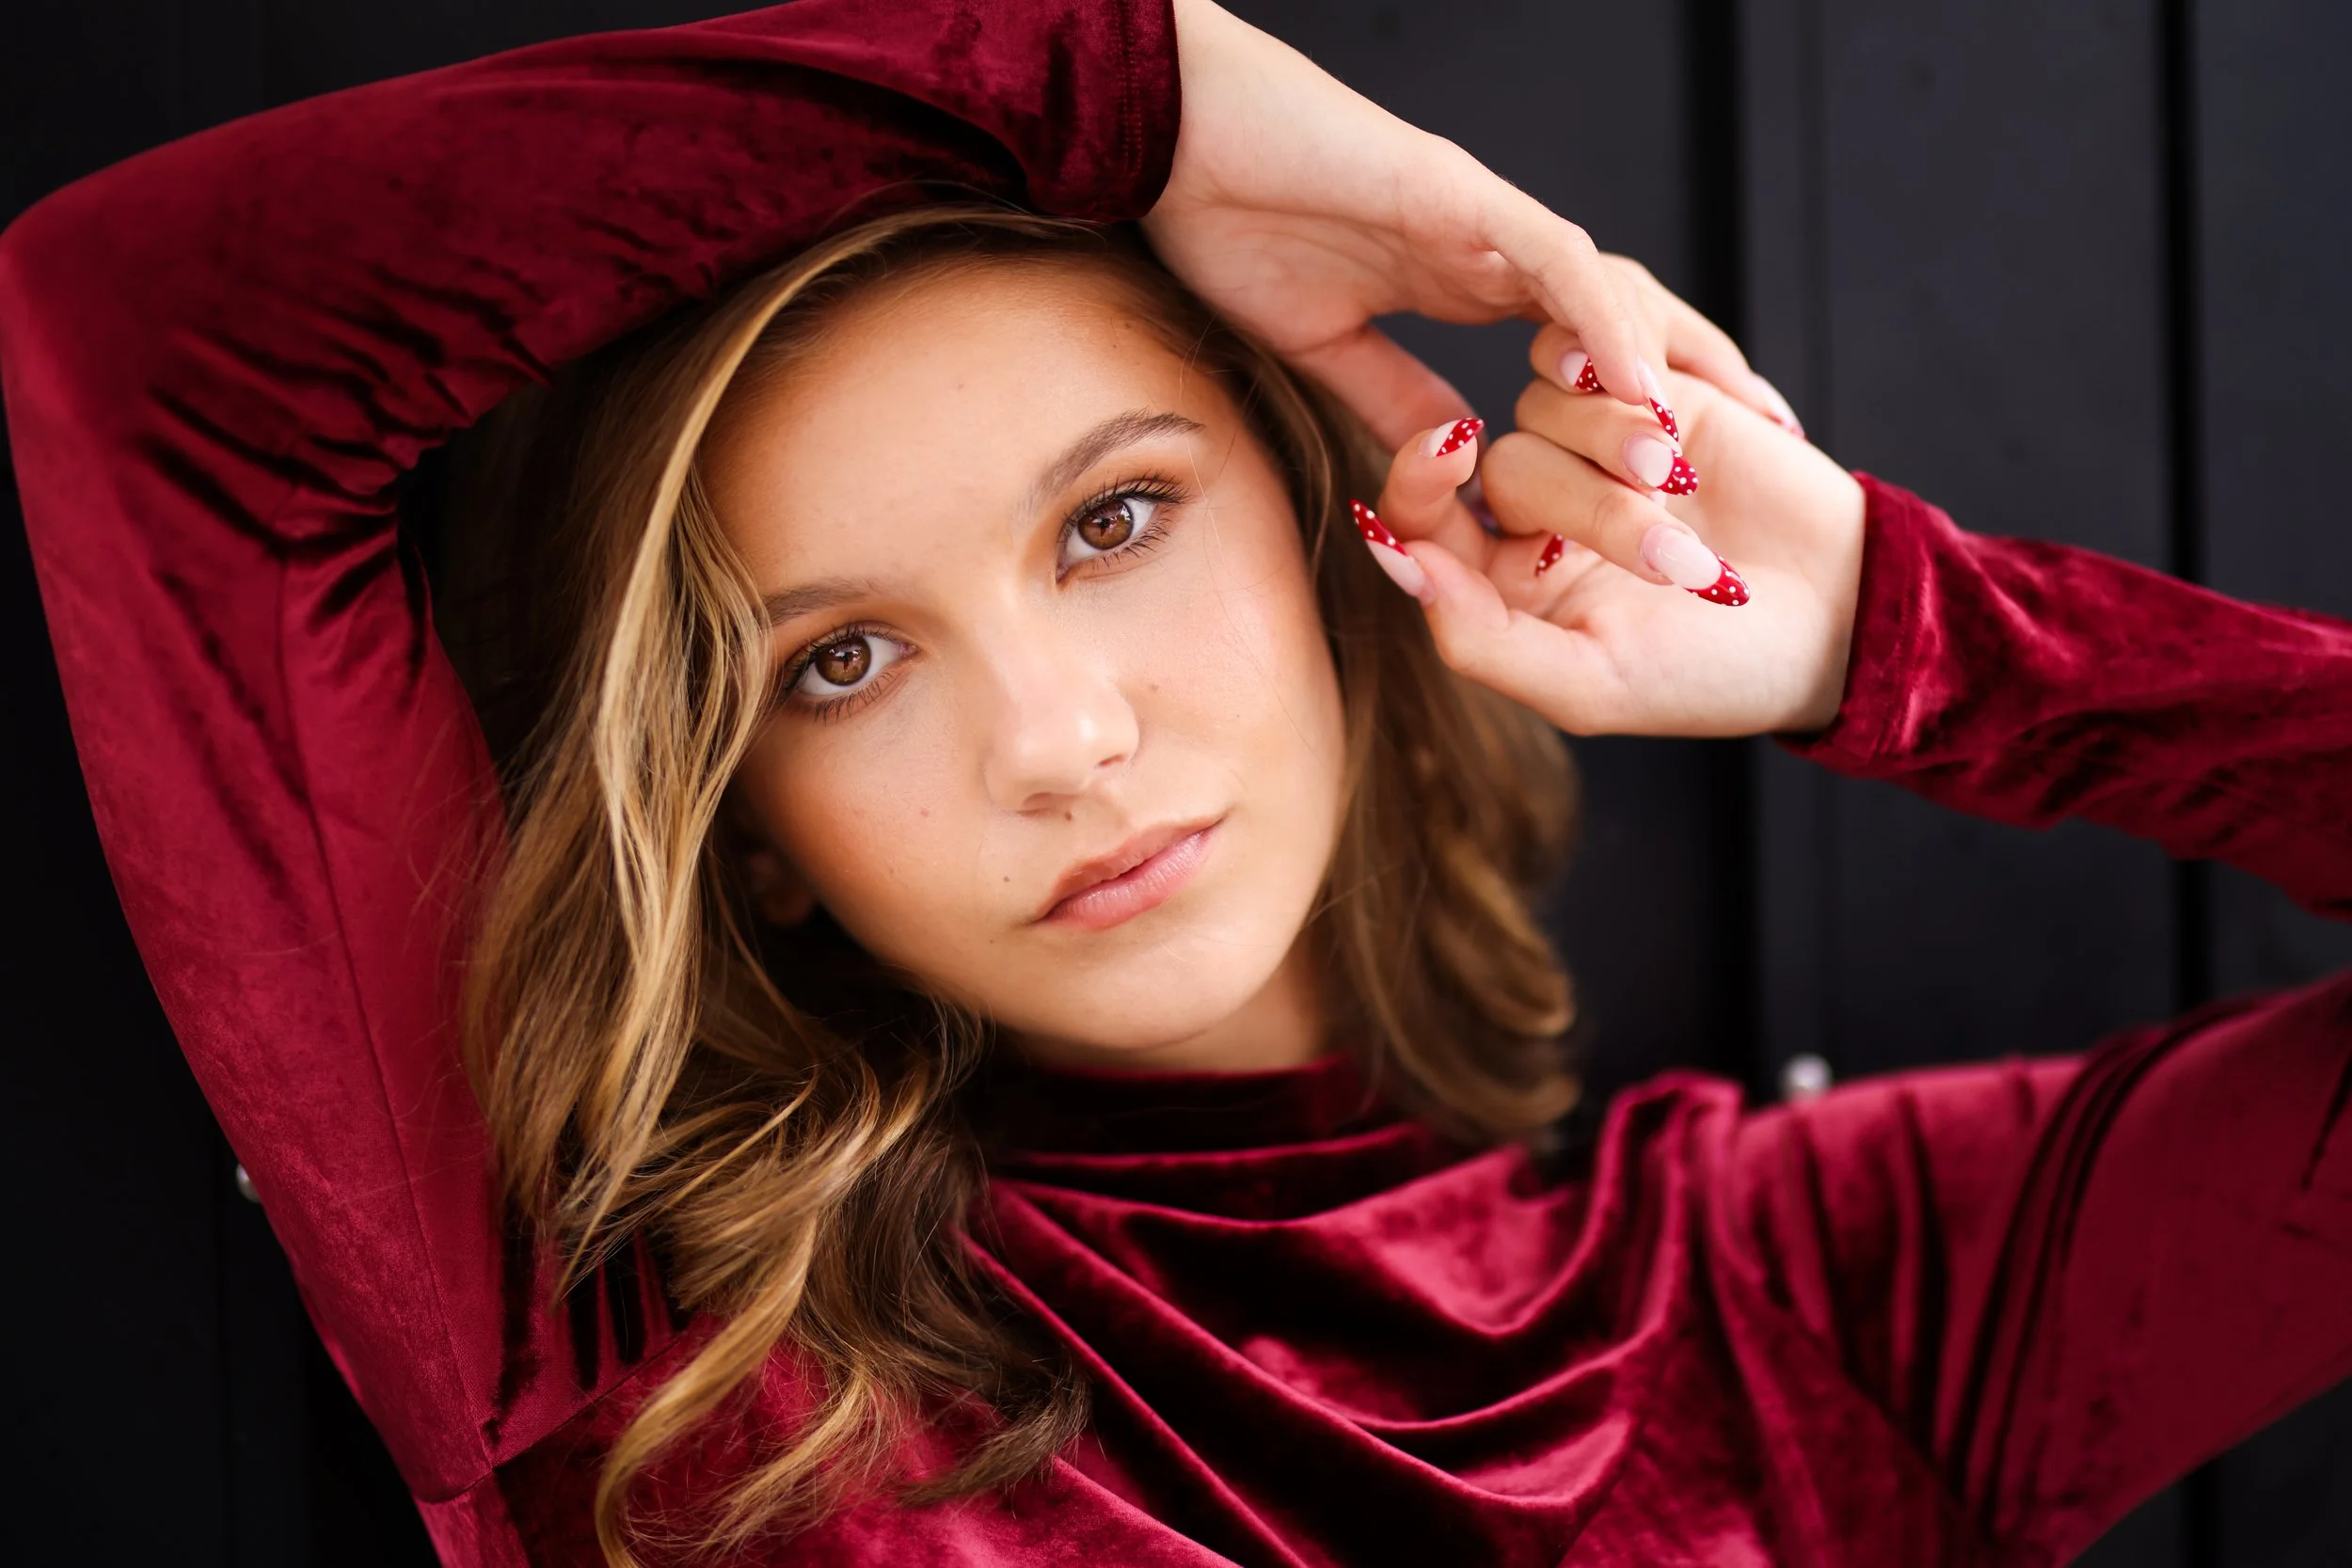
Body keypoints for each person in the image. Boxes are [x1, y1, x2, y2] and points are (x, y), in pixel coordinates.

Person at [1, 2, 2345, 1566]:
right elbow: (138, 357)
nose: (1056, 736)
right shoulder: (648, 1361)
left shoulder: (1809, 1297)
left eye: (1110, 520)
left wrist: (1892, 635)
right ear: (756, 838)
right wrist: (1143, 82)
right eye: (835, 663)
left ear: (1340, 527)